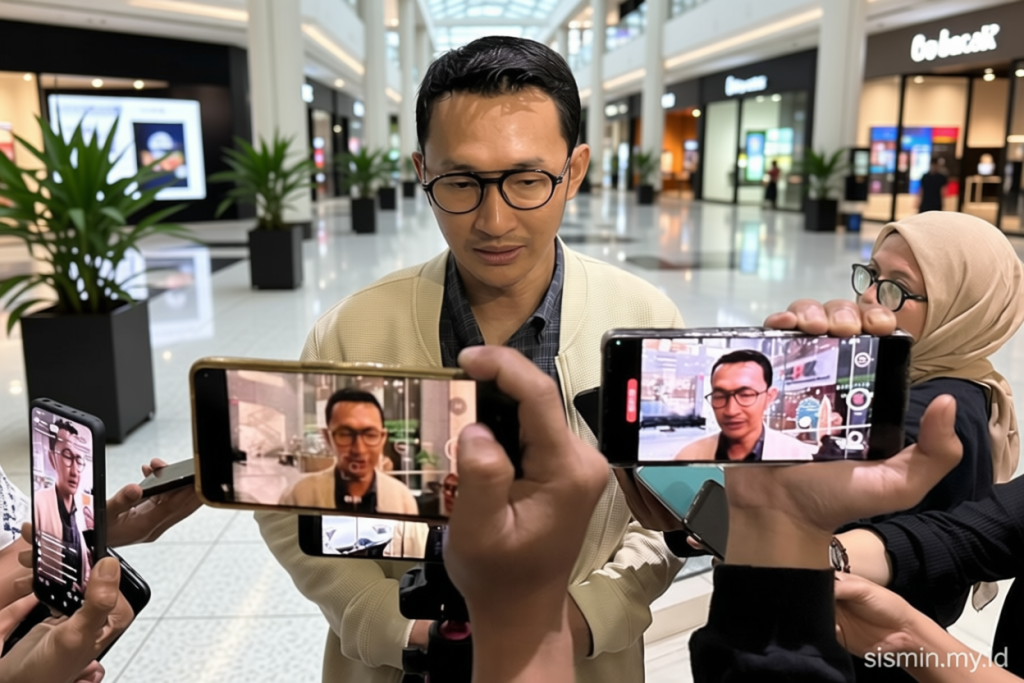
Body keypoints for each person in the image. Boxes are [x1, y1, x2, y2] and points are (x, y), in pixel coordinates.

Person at [256, 35, 685, 683]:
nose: (494, 220)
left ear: (574, 171)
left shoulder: (642, 320)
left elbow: (668, 507)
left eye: (527, 180)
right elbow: (290, 500)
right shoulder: (354, 331)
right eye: (461, 182)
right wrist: (385, 621)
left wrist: (589, 614)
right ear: (422, 171)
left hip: (582, 659)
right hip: (402, 662)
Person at [278, 389, 418, 515]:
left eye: (370, 435)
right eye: (345, 434)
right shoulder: (298, 496)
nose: (359, 449)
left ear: (382, 438)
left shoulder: (402, 500)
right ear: (327, 437)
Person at [673, 349, 816, 462]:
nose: (731, 411)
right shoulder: (688, 456)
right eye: (720, 396)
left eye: (745, 395)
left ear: (769, 397)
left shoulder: (796, 456)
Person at [33, 422, 92, 594]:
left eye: (79, 460)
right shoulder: (39, 503)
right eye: (67, 456)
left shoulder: (83, 513)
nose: (74, 471)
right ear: (52, 458)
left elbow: (84, 568)